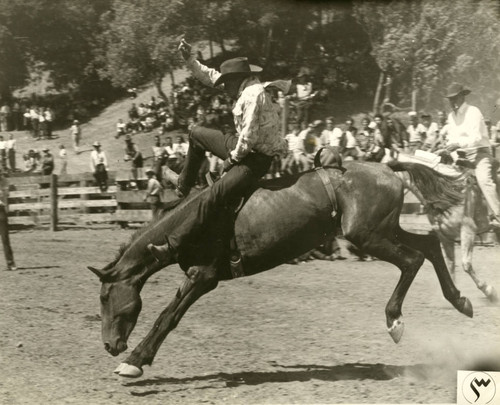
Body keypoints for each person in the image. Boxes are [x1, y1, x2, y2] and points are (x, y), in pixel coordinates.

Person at [148, 39, 287, 262]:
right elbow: (211, 77)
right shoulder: (244, 86)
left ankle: (173, 245)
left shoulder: (253, 95)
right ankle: (184, 185)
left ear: (236, 80)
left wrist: (231, 160)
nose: (224, 89)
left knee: (212, 195)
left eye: (227, 84)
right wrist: (190, 61)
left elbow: (248, 138)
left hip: (254, 159)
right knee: (195, 133)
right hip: (245, 149)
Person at [442, 82, 500, 229]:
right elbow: (451, 138)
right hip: (461, 156)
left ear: (462, 96)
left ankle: (498, 215)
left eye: (454, 98)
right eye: (450, 99)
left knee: (484, 180)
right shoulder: (450, 116)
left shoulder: (473, 112)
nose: (452, 101)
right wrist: (447, 148)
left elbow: (476, 137)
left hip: (480, 153)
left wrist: (457, 144)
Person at [0, 167, 16, 270]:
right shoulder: (4, 182)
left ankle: (11, 263)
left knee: (5, 238)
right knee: (5, 238)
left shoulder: (4, 182)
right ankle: (11, 263)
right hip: (1, 210)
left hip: (1, 210)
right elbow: (6, 195)